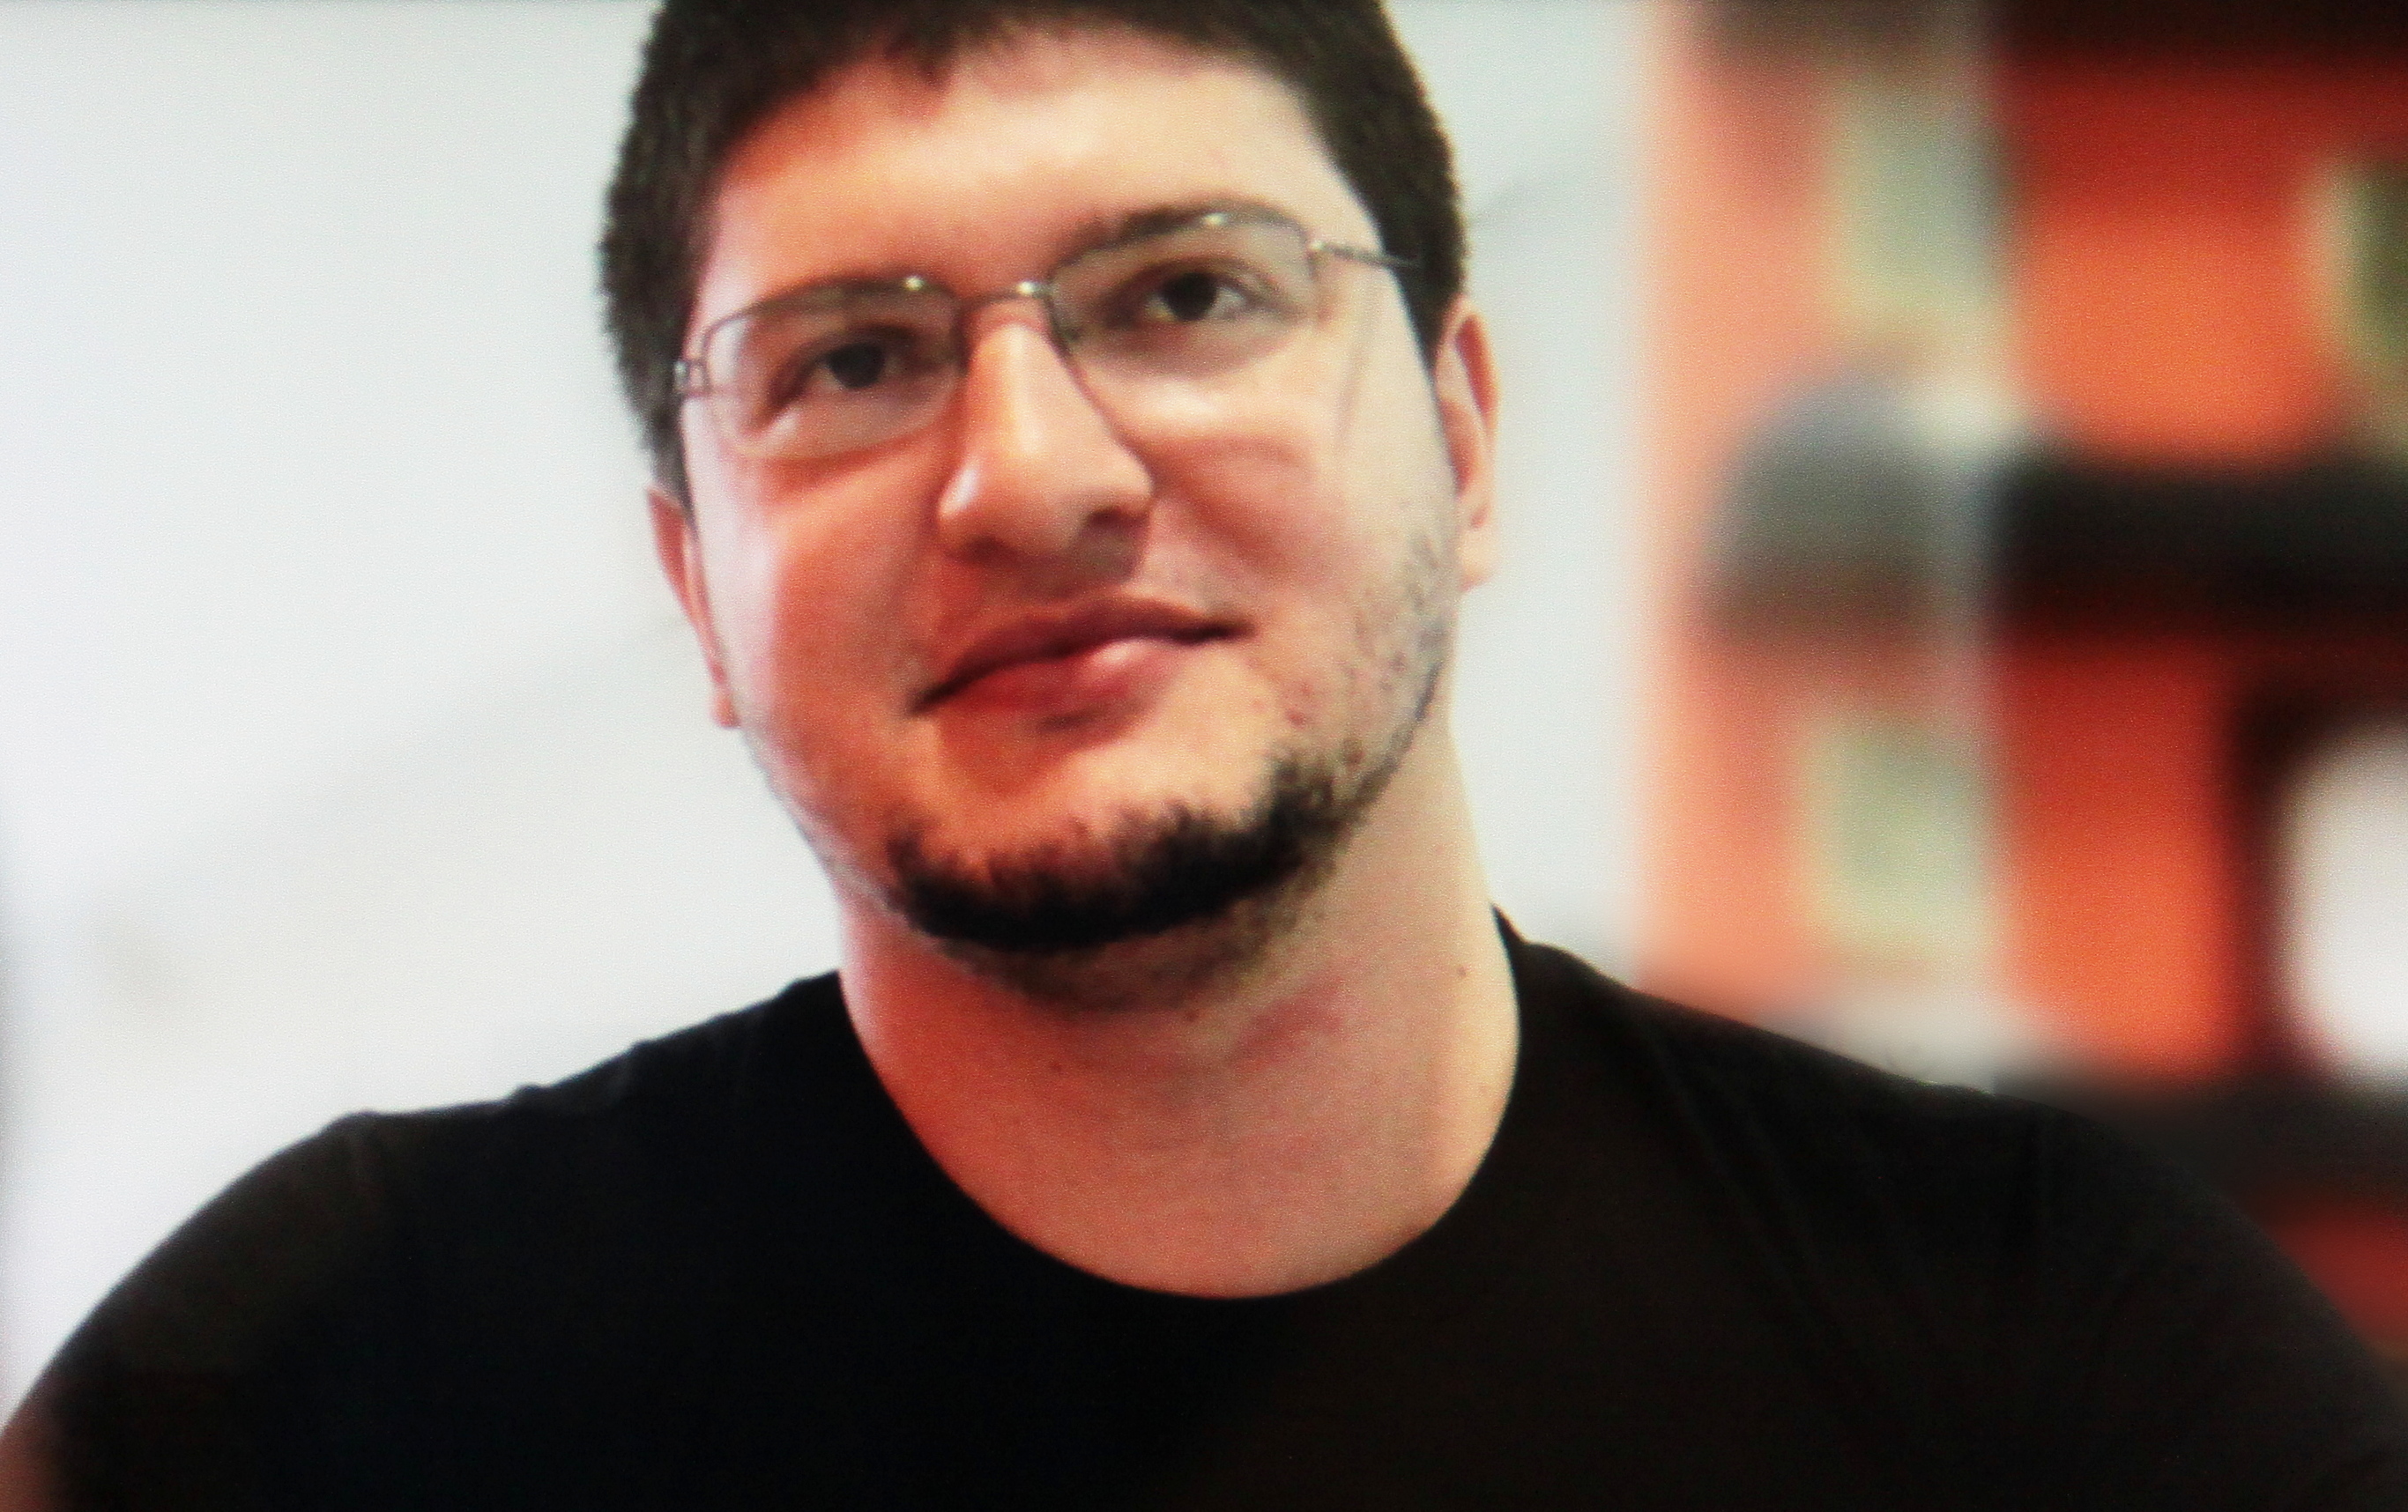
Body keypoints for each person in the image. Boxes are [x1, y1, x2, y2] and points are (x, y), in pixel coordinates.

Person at [4, 1, 2403, 1507]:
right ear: (694, 587)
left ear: (1464, 434)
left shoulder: (2052, 1349)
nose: (1028, 472)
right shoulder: (322, 1383)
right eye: (851, 359)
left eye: (1187, 291)